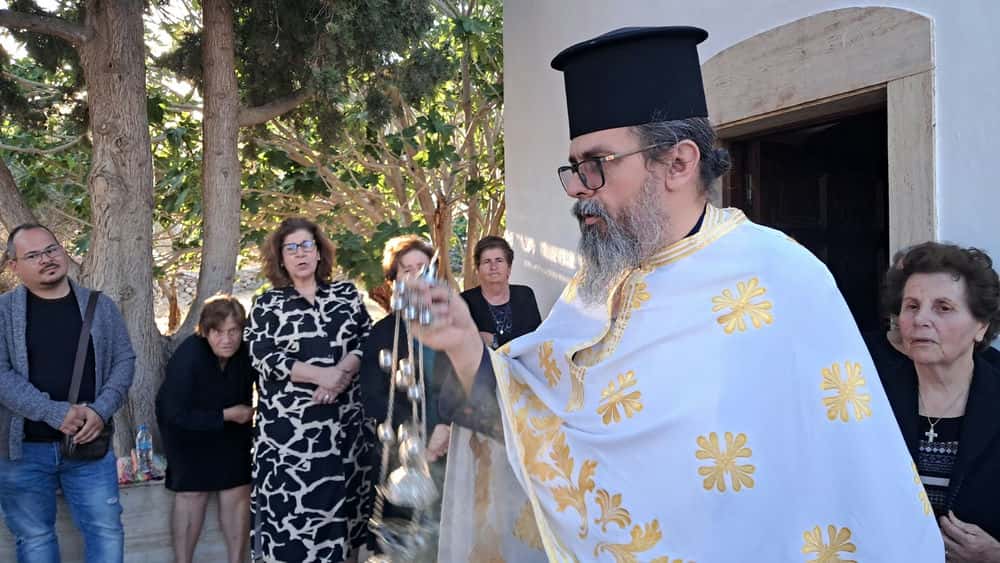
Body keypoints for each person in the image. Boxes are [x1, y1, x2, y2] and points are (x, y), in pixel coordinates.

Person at [415, 27, 944, 561]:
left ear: (678, 163)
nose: (578, 190)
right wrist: (462, 343)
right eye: (574, 169)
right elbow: (536, 422)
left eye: (597, 165)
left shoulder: (783, 277)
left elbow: (850, 468)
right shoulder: (596, 284)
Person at [0, 223, 135, 562]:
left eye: (51, 249)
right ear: (14, 266)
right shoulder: (3, 313)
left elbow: (124, 360)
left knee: (106, 531)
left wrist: (101, 409)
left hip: (90, 447)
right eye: (33, 255)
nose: (46, 259)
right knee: (35, 539)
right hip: (22, 452)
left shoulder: (99, 306)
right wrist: (55, 412)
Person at [245, 217, 374, 563]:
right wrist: (321, 376)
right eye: (291, 248)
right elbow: (263, 356)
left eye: (306, 246)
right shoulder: (267, 304)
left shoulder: (346, 295)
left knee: (345, 531)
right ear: (281, 259)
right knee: (292, 538)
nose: (300, 254)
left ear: (319, 253)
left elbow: (366, 340)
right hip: (290, 446)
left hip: (346, 436)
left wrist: (340, 376)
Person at [876, 242, 1000, 562]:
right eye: (912, 306)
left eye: (943, 308)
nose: (921, 319)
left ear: (981, 325)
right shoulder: (870, 398)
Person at [358, 235, 453, 560]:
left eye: (422, 268)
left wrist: (445, 426)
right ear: (394, 281)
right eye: (406, 270)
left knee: (446, 537)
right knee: (403, 544)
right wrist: (415, 437)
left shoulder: (454, 326)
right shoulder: (382, 333)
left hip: (451, 447)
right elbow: (371, 395)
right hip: (400, 456)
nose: (415, 276)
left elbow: (466, 381)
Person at [155, 294, 254, 563]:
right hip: (188, 434)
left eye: (233, 331)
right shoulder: (189, 356)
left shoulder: (246, 352)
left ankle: (237, 560)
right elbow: (172, 413)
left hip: (233, 434)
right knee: (192, 494)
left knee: (237, 490)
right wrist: (226, 415)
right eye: (218, 332)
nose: (227, 339)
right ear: (206, 332)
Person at [461, 236, 542, 349]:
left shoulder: (525, 294)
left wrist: (495, 340)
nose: (493, 267)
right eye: (486, 261)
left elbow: (536, 338)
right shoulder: (464, 301)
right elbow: (462, 345)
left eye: (499, 260)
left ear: (509, 267)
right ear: (478, 269)